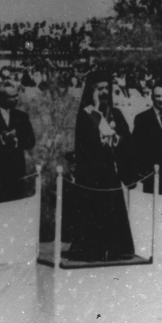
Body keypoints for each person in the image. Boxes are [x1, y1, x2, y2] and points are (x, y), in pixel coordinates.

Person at [66, 71, 136, 262]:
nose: (104, 92)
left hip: (110, 171)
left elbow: (127, 141)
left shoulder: (116, 113)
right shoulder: (86, 113)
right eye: (99, 88)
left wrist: (116, 139)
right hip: (91, 173)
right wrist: (96, 110)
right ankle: (91, 249)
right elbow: (84, 144)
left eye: (106, 88)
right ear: (92, 91)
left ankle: (116, 248)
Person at [0, 81, 36, 204]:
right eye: (12, 96)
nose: (16, 98)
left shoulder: (22, 116)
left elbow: (31, 141)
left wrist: (16, 141)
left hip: (17, 172)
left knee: (15, 207)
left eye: (17, 95)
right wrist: (2, 139)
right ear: (0, 98)